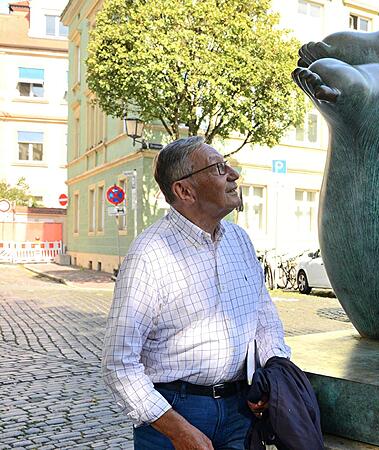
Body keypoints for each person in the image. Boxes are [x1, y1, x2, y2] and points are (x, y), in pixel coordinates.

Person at [101, 136, 291, 449]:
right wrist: (176, 430)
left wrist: (273, 376)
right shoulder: (150, 254)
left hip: (239, 411)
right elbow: (118, 363)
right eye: (219, 168)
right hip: (174, 412)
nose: (234, 174)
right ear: (184, 190)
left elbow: (264, 318)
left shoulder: (239, 241)